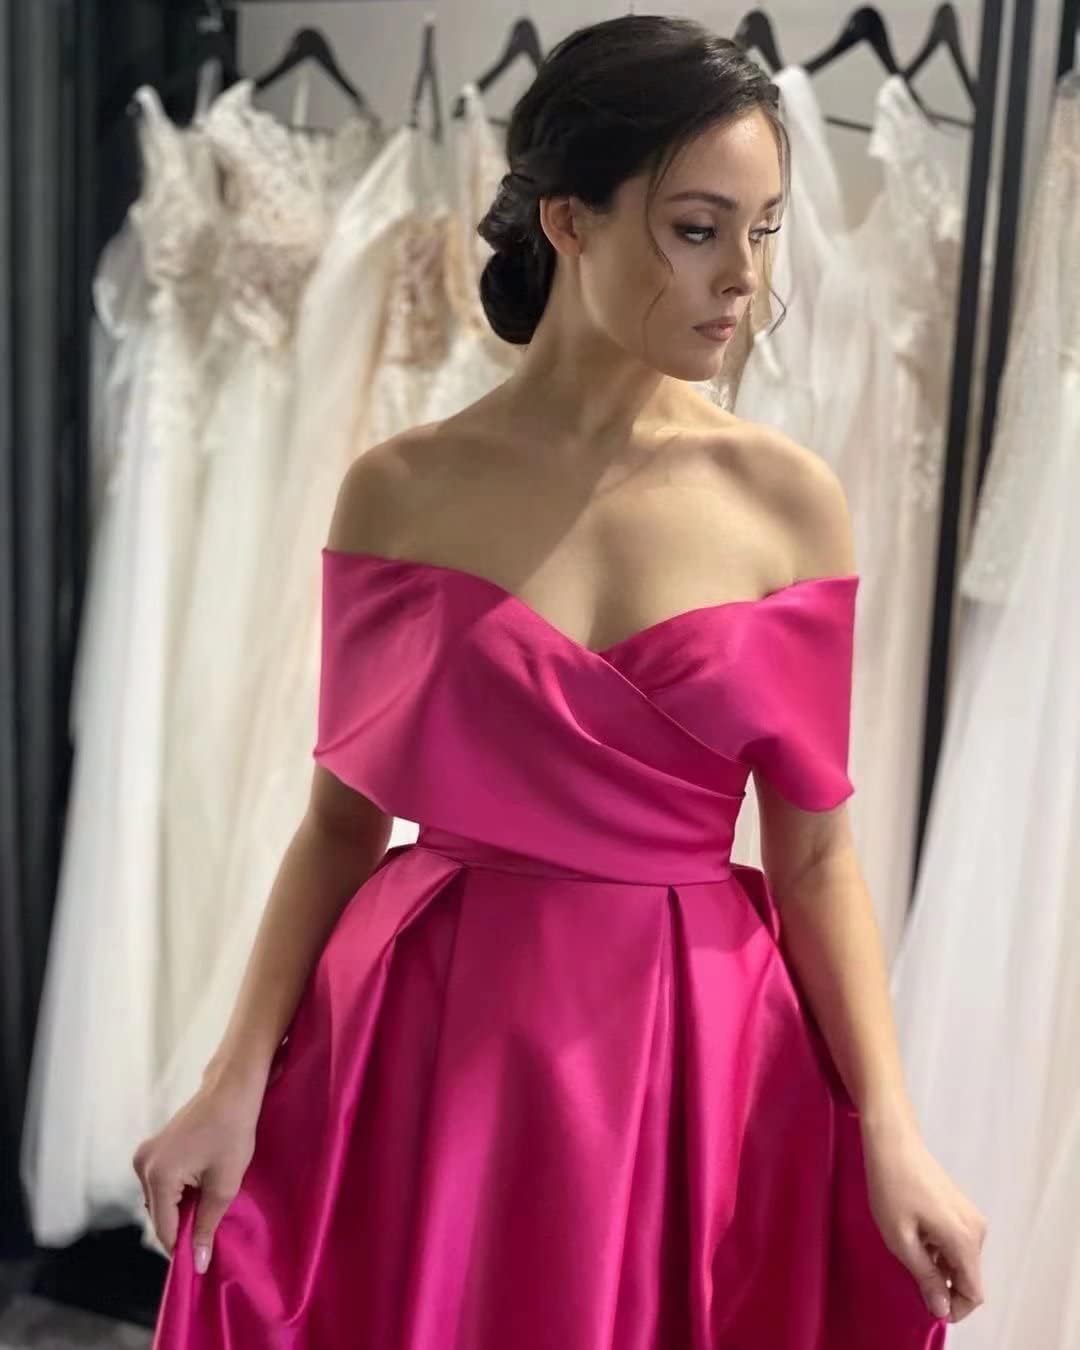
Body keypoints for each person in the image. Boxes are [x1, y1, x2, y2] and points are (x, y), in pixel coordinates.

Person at [137, 16, 986, 1347]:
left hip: (689, 1047)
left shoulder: (789, 504)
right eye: (699, 229)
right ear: (569, 218)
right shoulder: (400, 490)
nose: (744, 279)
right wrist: (234, 1075)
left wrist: (894, 1127)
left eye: (765, 232)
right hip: (432, 1037)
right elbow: (340, 825)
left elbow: (817, 858)